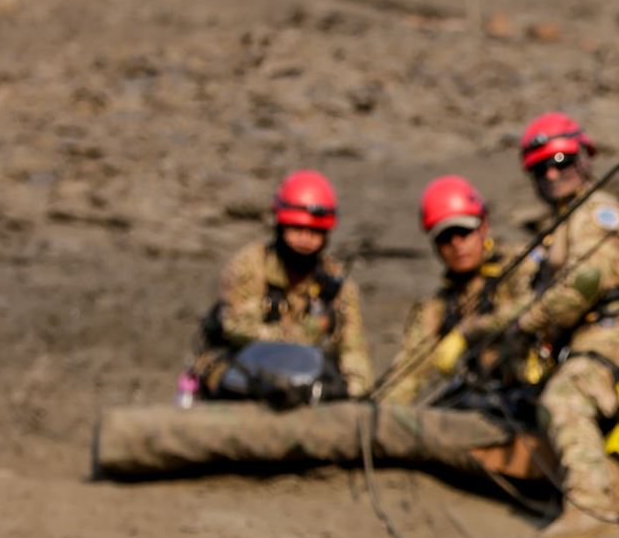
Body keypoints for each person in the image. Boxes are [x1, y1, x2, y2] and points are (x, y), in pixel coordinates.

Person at [504, 112, 619, 538]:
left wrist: (527, 322)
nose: (553, 174)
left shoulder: (597, 212)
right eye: (541, 168)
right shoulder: (560, 225)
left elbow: (586, 282)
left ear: (584, 159)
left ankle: (588, 507)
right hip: (587, 342)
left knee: (565, 398)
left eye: (561, 161)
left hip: (614, 339)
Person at [192, 169, 372, 399]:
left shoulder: (338, 286)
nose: (305, 239)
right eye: (297, 229)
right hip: (245, 374)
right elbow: (238, 328)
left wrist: (353, 392)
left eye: (315, 232)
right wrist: (310, 330)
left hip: (310, 383)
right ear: (280, 226)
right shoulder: (249, 267)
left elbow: (354, 352)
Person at [382, 175, 529, 407]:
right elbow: (409, 371)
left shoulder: (520, 266)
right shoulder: (436, 308)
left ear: (483, 226)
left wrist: (467, 332)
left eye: (464, 232)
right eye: (445, 238)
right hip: (481, 403)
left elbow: (537, 307)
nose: (457, 244)